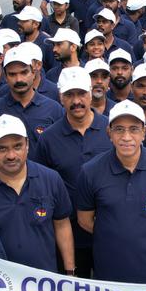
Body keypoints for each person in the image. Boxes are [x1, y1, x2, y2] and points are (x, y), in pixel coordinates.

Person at [75, 100, 146, 283]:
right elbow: (85, 220)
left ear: (144, 132)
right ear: (109, 133)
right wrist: (113, 231)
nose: (126, 137)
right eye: (119, 129)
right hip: (109, 277)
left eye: (134, 129)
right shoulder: (90, 171)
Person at [33, 68, 114, 277]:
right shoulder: (48, 138)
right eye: (69, 95)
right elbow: (42, 185)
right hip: (69, 234)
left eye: (81, 94)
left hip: (110, 228)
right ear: (60, 98)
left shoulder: (111, 130)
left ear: (90, 94)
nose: (76, 101)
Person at [0, 115, 75, 273]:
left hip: (45, 282)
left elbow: (62, 225)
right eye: (2, 148)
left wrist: (70, 272)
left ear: (27, 145)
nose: (11, 155)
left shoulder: (51, 179)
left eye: (17, 146)